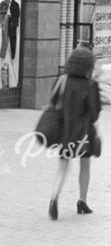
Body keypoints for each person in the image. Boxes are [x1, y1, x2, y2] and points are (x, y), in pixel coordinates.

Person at [49, 46, 102, 220]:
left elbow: (53, 100)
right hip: (84, 133)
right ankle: (82, 201)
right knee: (85, 164)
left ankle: (55, 196)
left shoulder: (62, 80)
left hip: (66, 131)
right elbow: (94, 114)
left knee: (63, 166)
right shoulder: (90, 85)